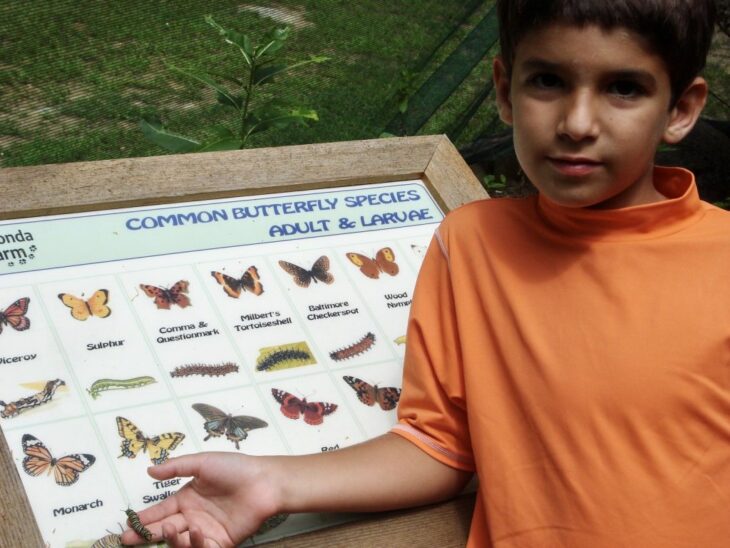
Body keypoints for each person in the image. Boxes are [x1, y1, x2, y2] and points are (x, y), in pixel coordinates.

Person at [122, 1, 729, 546]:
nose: (576, 121)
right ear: (504, 88)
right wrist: (272, 483)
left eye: (624, 89)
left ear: (680, 109)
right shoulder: (472, 242)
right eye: (548, 80)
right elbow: (439, 444)